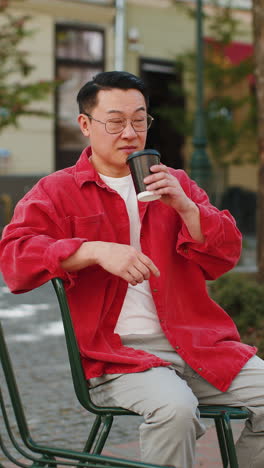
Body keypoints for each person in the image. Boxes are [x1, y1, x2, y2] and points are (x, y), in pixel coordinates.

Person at [0, 70, 264, 468]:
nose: (130, 132)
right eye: (116, 121)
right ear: (86, 126)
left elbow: (225, 254)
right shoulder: (57, 191)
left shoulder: (175, 183)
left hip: (197, 344)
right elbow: (15, 258)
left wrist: (188, 209)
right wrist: (93, 250)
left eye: (140, 121)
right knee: (175, 411)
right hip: (117, 356)